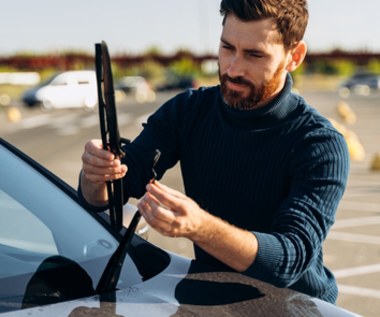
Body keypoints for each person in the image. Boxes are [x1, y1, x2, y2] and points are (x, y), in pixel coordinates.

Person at [78, 0, 350, 304]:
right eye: (226, 48)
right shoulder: (188, 111)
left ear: (294, 56)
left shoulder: (319, 144)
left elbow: (288, 259)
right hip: (210, 300)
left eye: (254, 54)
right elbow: (112, 191)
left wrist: (200, 226)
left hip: (293, 307)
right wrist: (96, 174)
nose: (233, 68)